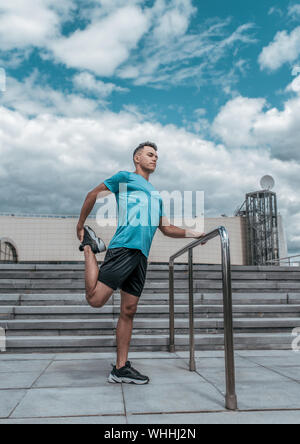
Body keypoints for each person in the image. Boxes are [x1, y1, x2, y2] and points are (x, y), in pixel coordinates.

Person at [76, 142, 206, 385]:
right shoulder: (124, 178)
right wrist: (80, 226)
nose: (155, 158)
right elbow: (92, 195)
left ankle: (120, 367)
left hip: (140, 256)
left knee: (129, 311)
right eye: (150, 154)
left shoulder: (155, 195)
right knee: (95, 299)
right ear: (137, 158)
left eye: (157, 155)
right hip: (123, 248)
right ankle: (89, 247)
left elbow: (165, 229)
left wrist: (192, 233)